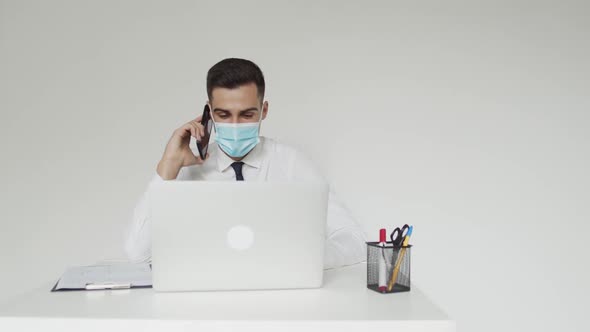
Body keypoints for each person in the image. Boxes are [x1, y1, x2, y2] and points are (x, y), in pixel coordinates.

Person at [124, 58, 366, 269]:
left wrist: (299, 258)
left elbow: (353, 240)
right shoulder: (186, 169)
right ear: (209, 112)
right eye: (224, 114)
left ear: (264, 110)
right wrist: (168, 165)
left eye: (247, 114)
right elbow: (137, 255)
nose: (236, 125)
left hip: (276, 298)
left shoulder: (291, 162)